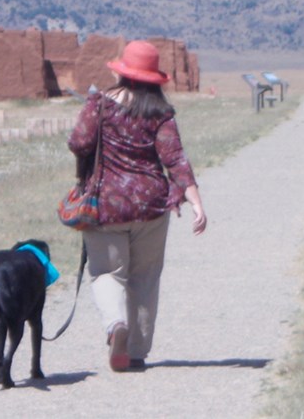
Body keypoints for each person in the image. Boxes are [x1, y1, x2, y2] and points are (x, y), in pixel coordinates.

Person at [67, 40, 207, 372]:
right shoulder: (160, 112)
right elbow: (176, 160)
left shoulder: (99, 105)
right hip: (151, 207)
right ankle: (137, 352)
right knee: (144, 278)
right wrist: (197, 203)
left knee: (106, 273)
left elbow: (79, 142)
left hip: (105, 206)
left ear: (123, 72)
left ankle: (117, 326)